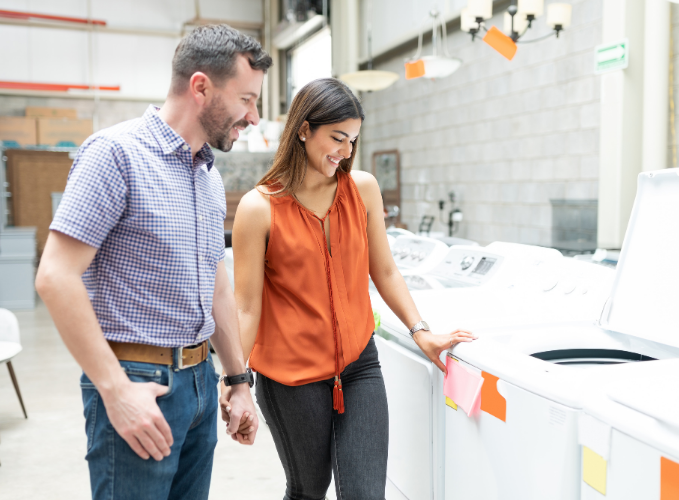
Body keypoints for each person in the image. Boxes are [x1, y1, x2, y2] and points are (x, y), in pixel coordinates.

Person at [36, 25, 272, 500]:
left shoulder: (205, 172)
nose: (254, 115)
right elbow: (56, 277)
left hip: (202, 383)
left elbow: (217, 286)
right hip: (139, 382)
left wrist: (236, 379)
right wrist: (115, 391)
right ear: (201, 87)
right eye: (246, 99)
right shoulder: (115, 154)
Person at [222, 78, 476, 500]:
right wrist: (234, 380)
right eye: (336, 138)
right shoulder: (259, 207)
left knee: (364, 493)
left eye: (353, 141)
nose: (345, 151)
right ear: (304, 129)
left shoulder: (362, 189)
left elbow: (387, 271)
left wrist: (420, 330)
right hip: (291, 378)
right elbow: (246, 307)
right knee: (308, 490)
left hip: (359, 366)